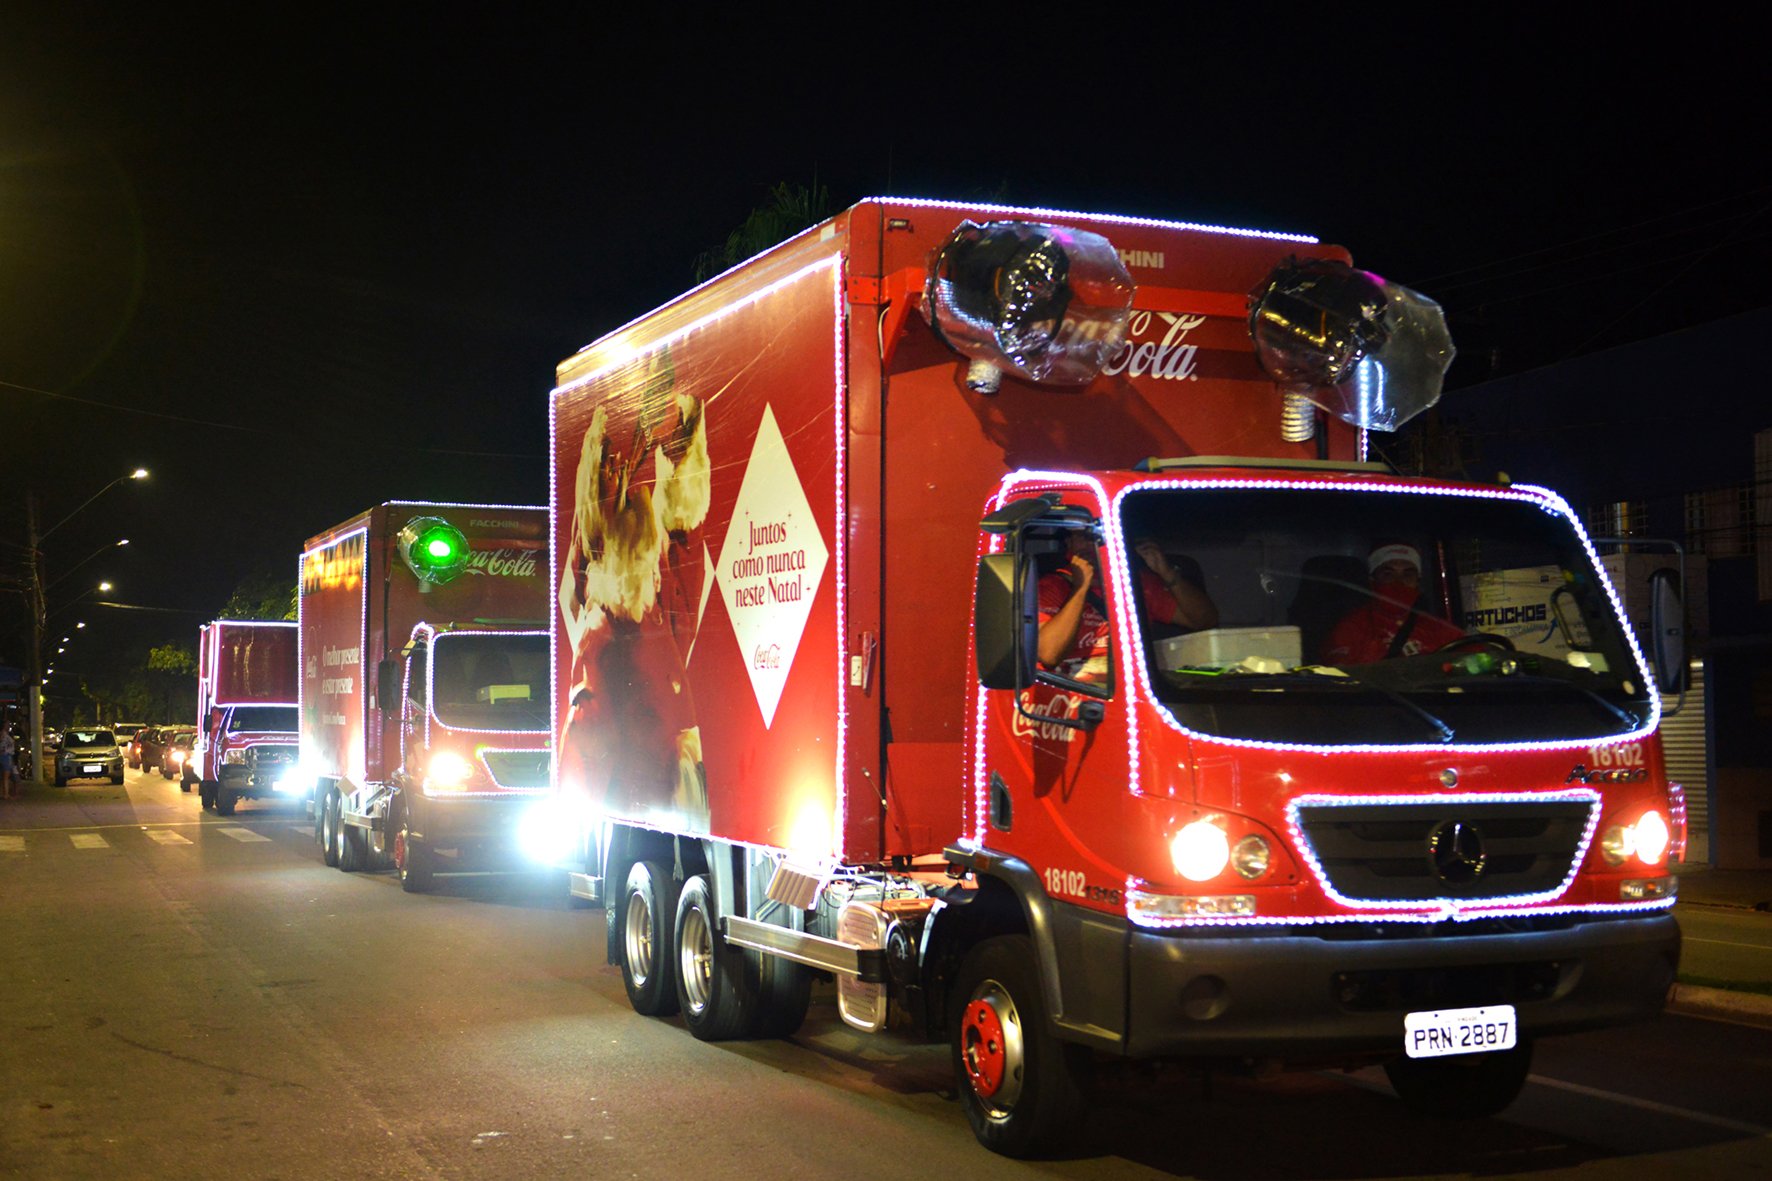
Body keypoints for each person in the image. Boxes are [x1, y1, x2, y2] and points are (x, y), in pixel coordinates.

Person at [1037, 532, 1218, 684]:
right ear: (1069, 543)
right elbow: (1049, 655)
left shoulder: (1138, 584)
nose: (1091, 545)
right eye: (1084, 537)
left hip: (1135, 683)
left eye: (1099, 537)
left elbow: (1204, 621)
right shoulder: (1053, 586)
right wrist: (1080, 587)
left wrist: (1166, 572)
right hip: (1077, 690)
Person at [1322, 543, 1464, 664]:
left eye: (1407, 574)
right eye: (1388, 574)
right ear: (1373, 580)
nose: (1399, 582)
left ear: (1418, 581)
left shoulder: (1440, 630)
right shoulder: (1350, 630)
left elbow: (1474, 656)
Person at [1, 720, 17, 798]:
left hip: (8, 755)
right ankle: (5, 793)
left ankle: (5, 793)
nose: (9, 726)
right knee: (6, 775)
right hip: (5, 755)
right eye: (7, 724)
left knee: (7, 775)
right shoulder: (3, 734)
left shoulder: (7, 734)